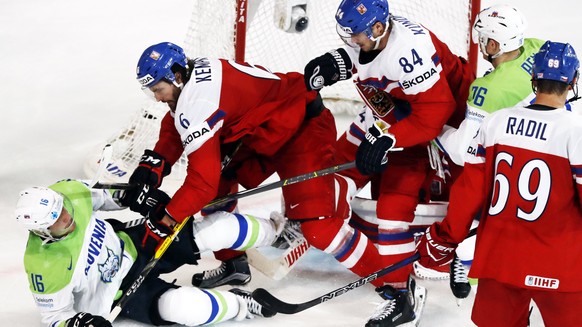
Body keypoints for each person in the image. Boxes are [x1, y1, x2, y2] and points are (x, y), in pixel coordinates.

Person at [131, 41, 403, 319]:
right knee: (217, 190)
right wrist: (153, 164)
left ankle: (396, 286)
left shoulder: (198, 99)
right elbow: (178, 124)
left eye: (158, 90)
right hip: (262, 135)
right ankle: (233, 263)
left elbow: (201, 180)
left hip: (300, 130)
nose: (157, 98)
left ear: (176, 76)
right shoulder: (189, 81)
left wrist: (167, 218)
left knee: (319, 229)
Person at [303, 0, 474, 325]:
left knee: (393, 206)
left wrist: (388, 139)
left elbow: (433, 115)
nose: (352, 40)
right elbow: (364, 59)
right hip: (398, 111)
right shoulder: (379, 37)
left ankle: (400, 292)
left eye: (357, 35)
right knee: (341, 159)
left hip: (441, 124)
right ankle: (323, 215)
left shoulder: (410, 52)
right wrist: (333, 63)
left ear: (379, 29)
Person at [416, 41, 582, 327]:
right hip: (561, 263)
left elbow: (469, 192)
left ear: (534, 79)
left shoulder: (495, 123)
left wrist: (445, 239)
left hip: (500, 259)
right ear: (573, 81)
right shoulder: (576, 131)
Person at [17, 179, 280, 327]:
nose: (66, 216)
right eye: (55, 219)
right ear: (41, 230)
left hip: (134, 245)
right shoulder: (42, 265)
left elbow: (110, 197)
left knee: (217, 230)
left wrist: (135, 196)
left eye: (61, 208)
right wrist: (78, 324)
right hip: (120, 294)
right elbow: (54, 317)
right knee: (187, 308)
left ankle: (279, 233)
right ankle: (242, 305)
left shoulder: (67, 194)